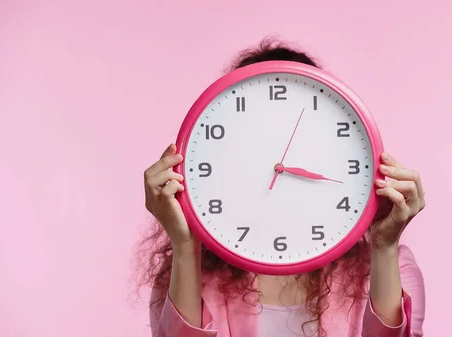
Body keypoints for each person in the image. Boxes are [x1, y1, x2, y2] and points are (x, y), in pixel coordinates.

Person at [140, 40, 426, 337]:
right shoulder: (187, 271)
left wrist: (385, 248)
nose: (278, 165)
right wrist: (186, 247)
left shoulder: (393, 263)